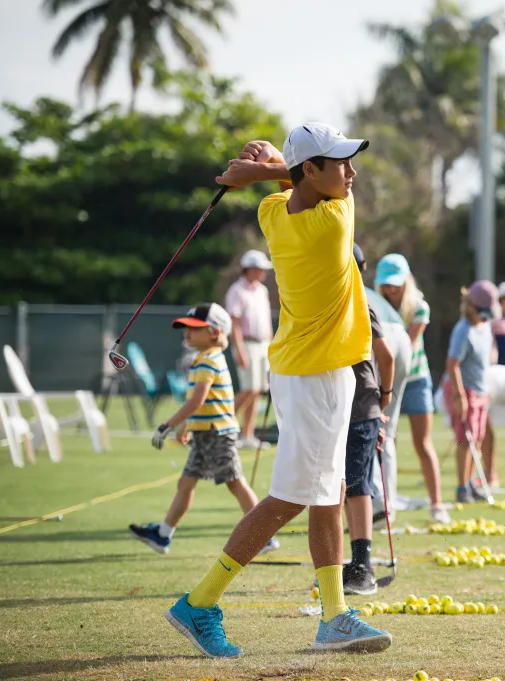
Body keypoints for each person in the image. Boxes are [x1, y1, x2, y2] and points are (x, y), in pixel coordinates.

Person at [163, 123, 391, 658]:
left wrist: (260, 168)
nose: (352, 173)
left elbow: (290, 187)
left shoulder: (270, 214)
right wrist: (265, 165)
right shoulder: (336, 220)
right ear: (310, 170)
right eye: (341, 164)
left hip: (309, 373)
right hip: (317, 379)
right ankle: (200, 601)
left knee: (327, 495)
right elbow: (297, 182)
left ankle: (334, 616)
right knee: (291, 497)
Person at [129, 303, 278, 555]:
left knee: (235, 483)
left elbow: (197, 400)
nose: (187, 333)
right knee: (186, 483)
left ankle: (264, 536)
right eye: (185, 328)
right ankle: (163, 535)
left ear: (215, 333)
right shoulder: (202, 359)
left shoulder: (208, 360)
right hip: (205, 433)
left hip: (218, 433)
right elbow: (201, 402)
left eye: (194, 329)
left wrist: (168, 424)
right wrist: (187, 425)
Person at [374, 254, 449, 523]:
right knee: (383, 440)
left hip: (415, 379)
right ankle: (383, 504)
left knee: (422, 443)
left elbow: (408, 346)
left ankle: (437, 504)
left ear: (407, 280)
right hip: (386, 380)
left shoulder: (419, 307)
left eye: (396, 284)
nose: (391, 289)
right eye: (386, 284)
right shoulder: (376, 306)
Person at [343, 243, 394, 596]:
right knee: (342, 485)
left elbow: (385, 355)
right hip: (336, 407)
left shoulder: (359, 299)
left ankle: (363, 567)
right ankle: (346, 565)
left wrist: (384, 400)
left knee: (357, 485)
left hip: (361, 408)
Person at [436, 363, 505, 491]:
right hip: (503, 392)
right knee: (483, 433)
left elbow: (483, 430)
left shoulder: (476, 386)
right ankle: (489, 477)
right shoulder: (462, 387)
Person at [443, 280, 498, 504]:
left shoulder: (484, 326)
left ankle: (470, 482)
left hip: (480, 389)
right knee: (465, 440)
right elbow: (452, 364)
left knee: (478, 438)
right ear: (471, 307)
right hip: (463, 390)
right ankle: (461, 488)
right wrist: (459, 397)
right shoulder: (463, 330)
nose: (485, 317)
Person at [365, 286, 413, 528]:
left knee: (367, 427)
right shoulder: (369, 293)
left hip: (381, 340)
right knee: (387, 433)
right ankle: (387, 507)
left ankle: (378, 506)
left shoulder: (342, 285)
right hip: (401, 340)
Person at [225, 249, 274, 449]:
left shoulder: (262, 290)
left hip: (263, 345)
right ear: (250, 269)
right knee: (249, 389)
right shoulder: (237, 290)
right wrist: (240, 350)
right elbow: (234, 323)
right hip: (246, 344)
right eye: (260, 268)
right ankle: (221, 428)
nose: (264, 272)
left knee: (258, 391)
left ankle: (247, 435)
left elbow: (266, 322)